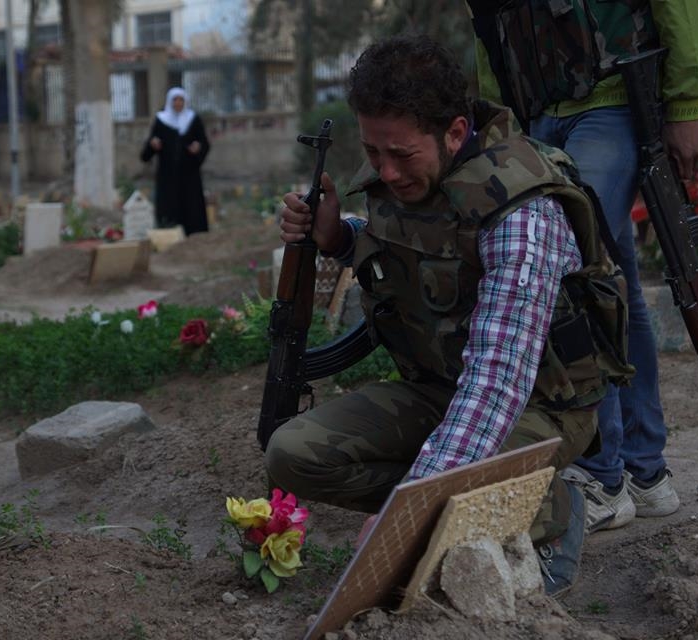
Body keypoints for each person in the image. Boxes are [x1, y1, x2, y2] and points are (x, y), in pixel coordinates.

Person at [266, 34, 633, 596]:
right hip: (441, 386)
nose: (385, 172)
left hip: (538, 407)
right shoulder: (413, 170)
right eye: (373, 153)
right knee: (292, 456)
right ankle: (469, 494)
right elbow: (420, 260)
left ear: (455, 132)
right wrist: (339, 238)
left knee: (429, 537)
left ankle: (551, 506)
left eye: (401, 155)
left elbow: (497, 382)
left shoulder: (521, 211)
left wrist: (407, 513)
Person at [470, 0, 698, 532]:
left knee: (575, 272)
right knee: (608, 277)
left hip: (613, 98)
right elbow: (490, 24)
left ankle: (600, 475)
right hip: (538, 116)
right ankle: (645, 474)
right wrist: (497, 126)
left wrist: (688, 104)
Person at [140, 87, 211, 236]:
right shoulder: (161, 120)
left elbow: (204, 143)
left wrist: (198, 148)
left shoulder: (193, 119)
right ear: (169, 102)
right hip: (167, 176)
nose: (178, 103)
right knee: (169, 209)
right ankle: (169, 233)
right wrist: (153, 145)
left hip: (189, 174)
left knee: (192, 207)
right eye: (175, 100)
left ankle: (195, 236)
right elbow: (148, 151)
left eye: (181, 100)